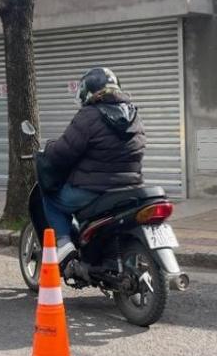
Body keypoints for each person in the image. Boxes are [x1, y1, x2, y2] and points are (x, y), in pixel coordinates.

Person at [40, 67, 146, 268]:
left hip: (93, 191)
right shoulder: (133, 114)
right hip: (130, 189)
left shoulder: (89, 115)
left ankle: (64, 244)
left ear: (88, 92)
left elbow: (64, 152)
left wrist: (49, 149)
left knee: (51, 199)